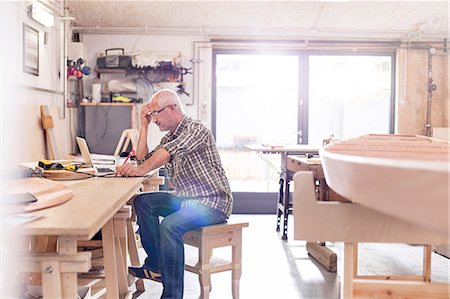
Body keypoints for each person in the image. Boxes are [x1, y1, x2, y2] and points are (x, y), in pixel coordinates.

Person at [116, 89, 233, 299]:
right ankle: (156, 265)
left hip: (212, 203)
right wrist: (143, 125)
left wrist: (139, 170)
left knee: (169, 226)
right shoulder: (171, 137)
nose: (154, 120)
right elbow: (143, 161)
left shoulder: (196, 130)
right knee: (143, 202)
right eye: (151, 116)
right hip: (187, 200)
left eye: (155, 114)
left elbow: (161, 157)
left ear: (171, 108)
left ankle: (172, 296)